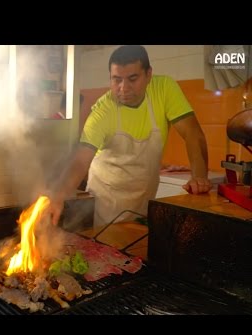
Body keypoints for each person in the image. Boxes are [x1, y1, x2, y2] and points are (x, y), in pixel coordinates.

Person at [48, 45, 211, 228]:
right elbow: (80, 161)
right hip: (106, 208)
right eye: (116, 79)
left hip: (143, 206)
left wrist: (199, 177)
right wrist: (58, 196)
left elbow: (193, 133)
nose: (123, 88)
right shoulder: (103, 112)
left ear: (148, 75)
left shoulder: (164, 89)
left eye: (132, 79)